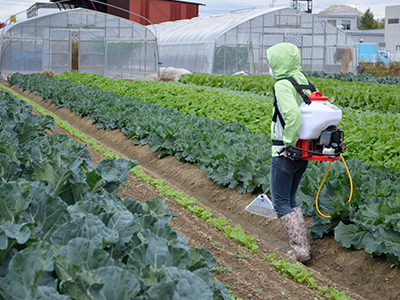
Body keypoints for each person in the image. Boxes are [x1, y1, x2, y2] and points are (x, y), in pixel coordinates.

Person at [266, 43, 312, 262]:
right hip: (305, 150)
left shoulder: (283, 84)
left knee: (280, 202)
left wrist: (286, 143)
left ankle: (300, 250)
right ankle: (302, 246)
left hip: (287, 151)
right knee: (291, 199)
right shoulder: (303, 80)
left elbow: (293, 115)